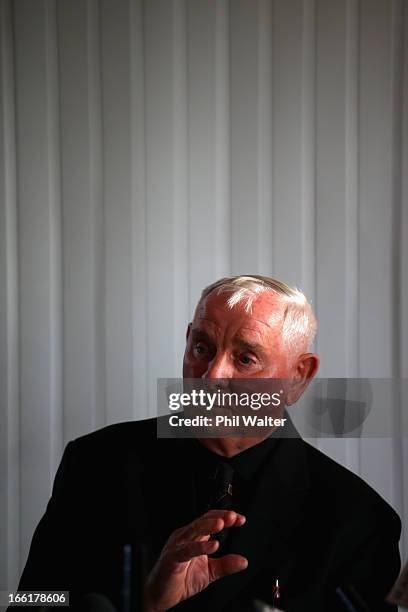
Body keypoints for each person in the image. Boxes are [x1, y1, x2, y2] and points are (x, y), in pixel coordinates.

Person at [17, 276, 401, 611]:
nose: (212, 376)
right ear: (187, 342)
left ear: (298, 376)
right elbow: (32, 600)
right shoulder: (97, 462)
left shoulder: (359, 520)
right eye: (202, 348)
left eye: (246, 358)